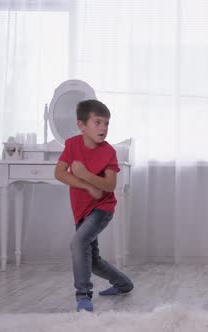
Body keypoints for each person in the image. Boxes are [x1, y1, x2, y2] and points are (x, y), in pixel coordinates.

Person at [54, 99, 134, 312]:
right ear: (81, 125)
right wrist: (88, 186)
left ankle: (83, 295)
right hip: (81, 209)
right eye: (97, 122)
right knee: (94, 260)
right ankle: (123, 284)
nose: (103, 128)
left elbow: (110, 185)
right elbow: (59, 173)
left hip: (102, 209)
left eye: (106, 123)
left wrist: (86, 176)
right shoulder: (72, 145)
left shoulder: (108, 151)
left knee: (78, 242)